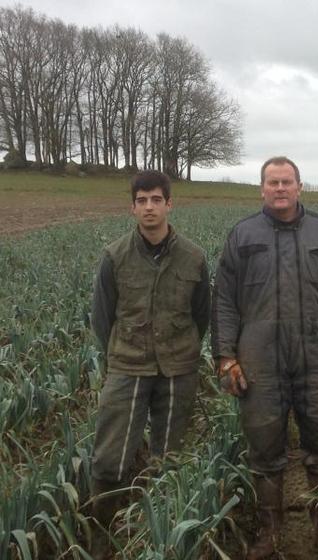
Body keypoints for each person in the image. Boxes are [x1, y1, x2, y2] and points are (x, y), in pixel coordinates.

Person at [211, 156, 318, 560]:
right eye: (272, 182)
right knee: (264, 446)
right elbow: (224, 300)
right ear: (261, 189)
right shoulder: (243, 235)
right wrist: (226, 356)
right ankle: (270, 530)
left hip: (317, 354)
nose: (280, 189)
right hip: (260, 356)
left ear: (299, 187)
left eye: (287, 182)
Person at [89, 170, 210, 558]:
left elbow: (201, 315)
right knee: (110, 459)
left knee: (169, 459)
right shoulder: (114, 256)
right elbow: (102, 317)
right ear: (132, 207)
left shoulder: (194, 257)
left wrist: (182, 348)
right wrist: (122, 353)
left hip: (178, 370)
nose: (149, 207)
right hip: (127, 367)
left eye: (156, 199)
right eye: (141, 201)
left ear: (169, 204)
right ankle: (102, 534)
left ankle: (160, 536)